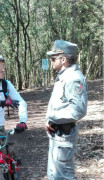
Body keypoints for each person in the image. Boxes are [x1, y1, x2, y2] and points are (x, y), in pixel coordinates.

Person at [45, 40, 88, 179]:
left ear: (63, 59)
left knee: (64, 176)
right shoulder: (63, 75)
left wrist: (52, 117)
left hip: (64, 134)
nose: (51, 61)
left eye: (53, 58)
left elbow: (78, 110)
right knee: (54, 174)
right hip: (58, 134)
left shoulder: (74, 78)